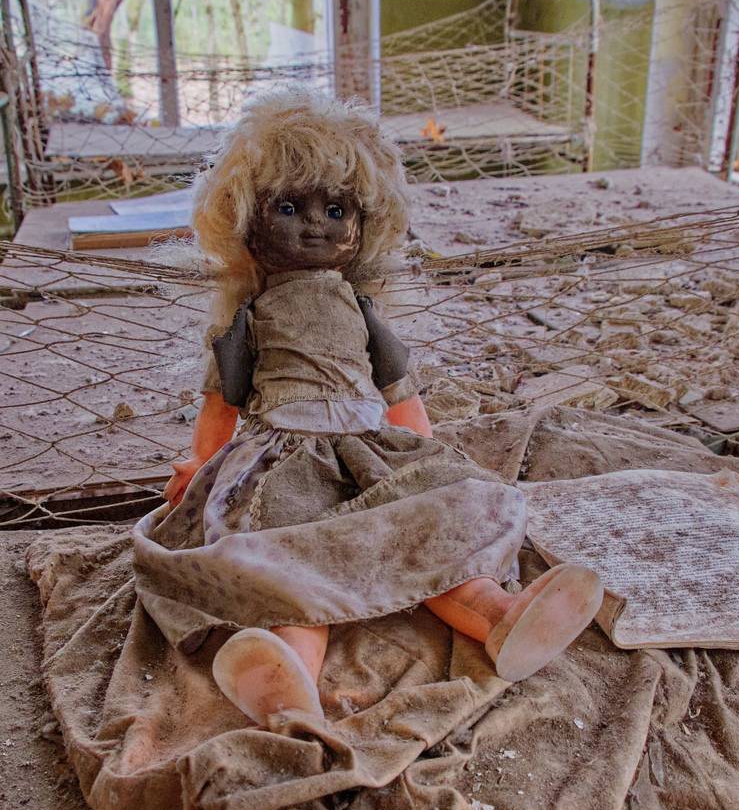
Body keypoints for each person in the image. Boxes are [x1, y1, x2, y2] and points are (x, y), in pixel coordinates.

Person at [139, 89, 603, 727]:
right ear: (245, 220)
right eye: (288, 208)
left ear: (365, 224)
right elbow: (222, 400)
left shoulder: (362, 311)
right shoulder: (247, 319)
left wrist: (426, 457)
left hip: (370, 448)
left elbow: (399, 392)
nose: (314, 226)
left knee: (427, 531)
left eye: (336, 210)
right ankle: (288, 678)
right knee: (293, 559)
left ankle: (501, 619)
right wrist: (200, 465)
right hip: (282, 457)